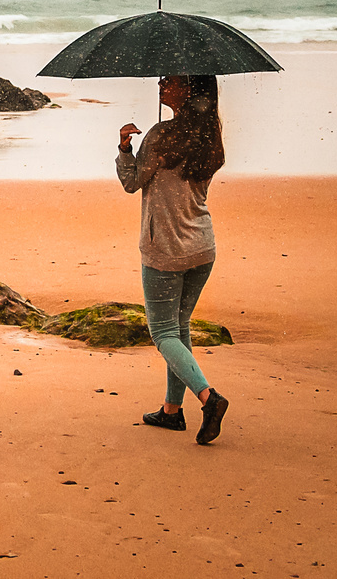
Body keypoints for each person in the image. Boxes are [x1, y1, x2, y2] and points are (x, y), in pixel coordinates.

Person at [117, 74, 231, 445]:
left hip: (165, 249)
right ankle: (171, 410)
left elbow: (132, 182)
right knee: (179, 328)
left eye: (172, 80)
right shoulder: (210, 138)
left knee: (163, 332)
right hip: (202, 246)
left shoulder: (161, 136)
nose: (162, 83)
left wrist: (124, 149)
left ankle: (207, 397)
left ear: (190, 89)